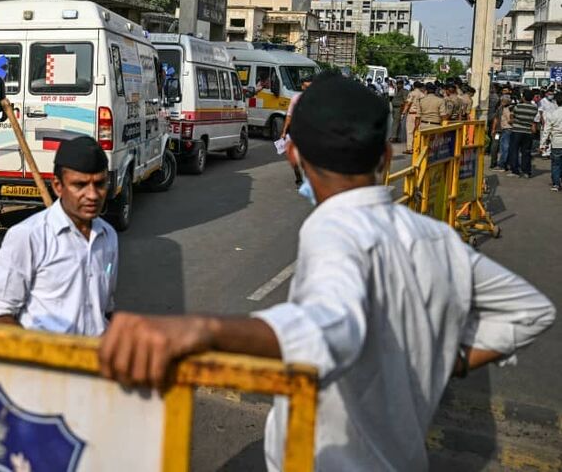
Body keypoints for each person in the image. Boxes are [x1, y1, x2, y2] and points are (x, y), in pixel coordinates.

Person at [98, 74, 554, 471]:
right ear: (383, 157)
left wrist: (202, 330)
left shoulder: (334, 227)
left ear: (293, 154)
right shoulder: (436, 239)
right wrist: (447, 362)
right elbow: (530, 311)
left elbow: (327, 327)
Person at [0, 136, 118, 336]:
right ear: (57, 186)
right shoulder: (28, 236)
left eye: (99, 184)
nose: (92, 195)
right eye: (80, 185)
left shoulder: (108, 237)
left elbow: (104, 311)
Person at [281, 75, 313, 186]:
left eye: (307, 84)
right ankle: (299, 179)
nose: (305, 86)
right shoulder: (296, 98)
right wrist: (284, 131)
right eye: (304, 84)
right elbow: (289, 115)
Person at [507, 89, 540, 178]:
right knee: (526, 152)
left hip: (517, 131)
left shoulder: (518, 106)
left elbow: (512, 116)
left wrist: (514, 119)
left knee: (514, 150)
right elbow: (532, 119)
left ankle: (515, 171)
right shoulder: (534, 108)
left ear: (523, 97)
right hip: (528, 132)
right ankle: (526, 171)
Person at [541, 92, 562, 191]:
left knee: (556, 164)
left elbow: (547, 130)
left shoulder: (552, 114)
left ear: (556, 102)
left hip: (556, 142)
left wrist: (542, 144)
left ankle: (556, 184)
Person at [402, 80, 425, 155]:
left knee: (410, 131)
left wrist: (403, 113)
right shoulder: (423, 95)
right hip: (420, 115)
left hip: (412, 114)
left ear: (414, 86)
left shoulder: (412, 93)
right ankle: (417, 147)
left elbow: (408, 103)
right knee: (418, 131)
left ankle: (410, 148)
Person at [492, 91, 514, 171]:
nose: (502, 102)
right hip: (499, 130)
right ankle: (495, 163)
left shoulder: (510, 108)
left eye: (504, 101)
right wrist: (493, 129)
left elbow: (510, 120)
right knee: (497, 146)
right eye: (502, 101)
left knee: (504, 147)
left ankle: (502, 165)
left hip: (505, 130)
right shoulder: (500, 108)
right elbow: (496, 119)